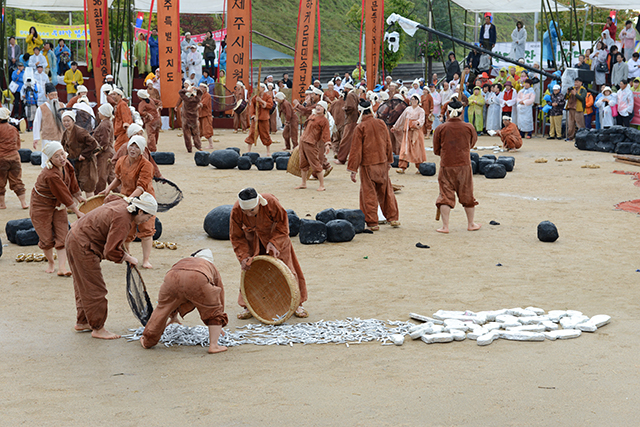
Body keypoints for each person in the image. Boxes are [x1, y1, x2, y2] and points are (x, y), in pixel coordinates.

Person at [67, 192, 157, 339]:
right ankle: (98, 328)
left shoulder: (124, 203)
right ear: (140, 210)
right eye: (146, 217)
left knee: (82, 284)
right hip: (82, 245)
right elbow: (110, 251)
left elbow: (110, 197)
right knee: (94, 288)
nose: (144, 221)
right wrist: (127, 257)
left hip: (74, 236)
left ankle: (83, 322)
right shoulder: (124, 218)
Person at [230, 188, 309, 319]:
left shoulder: (271, 202)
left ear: (258, 204)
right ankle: (248, 305)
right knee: (251, 270)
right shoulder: (236, 210)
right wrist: (243, 256)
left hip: (276, 238)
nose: (248, 214)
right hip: (252, 241)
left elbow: (283, 224)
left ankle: (297, 303)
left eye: (252, 210)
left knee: (287, 269)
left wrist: (275, 242)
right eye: (245, 211)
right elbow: (236, 236)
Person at [140, 249, 228, 354]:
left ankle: (147, 340)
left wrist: (173, 317)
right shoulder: (210, 267)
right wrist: (218, 324)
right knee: (213, 311)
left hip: (173, 276)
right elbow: (219, 296)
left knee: (163, 308)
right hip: (199, 278)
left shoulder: (185, 260)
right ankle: (214, 346)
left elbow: (176, 295)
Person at [101, 135, 157, 269]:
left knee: (146, 229)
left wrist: (130, 199)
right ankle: (128, 254)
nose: (133, 149)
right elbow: (118, 178)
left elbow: (141, 186)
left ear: (142, 149)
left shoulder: (146, 165)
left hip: (144, 200)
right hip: (126, 197)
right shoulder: (121, 160)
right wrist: (108, 189)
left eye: (137, 147)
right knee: (126, 228)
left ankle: (146, 260)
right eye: (131, 145)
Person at [30, 142, 85, 276]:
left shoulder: (66, 164)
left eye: (62, 154)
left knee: (62, 234)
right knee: (46, 238)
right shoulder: (50, 174)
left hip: (58, 205)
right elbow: (63, 194)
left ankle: (62, 267)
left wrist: (78, 196)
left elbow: (72, 180)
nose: (61, 158)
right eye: (56, 156)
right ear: (50, 159)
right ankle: (51, 262)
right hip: (41, 205)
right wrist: (76, 211)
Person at [347, 100, 400, 231]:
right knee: (386, 192)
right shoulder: (381, 123)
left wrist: (352, 169)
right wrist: (389, 161)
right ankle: (393, 218)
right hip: (382, 162)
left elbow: (356, 150)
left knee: (368, 193)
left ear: (360, 112)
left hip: (368, 164)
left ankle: (372, 222)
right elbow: (388, 143)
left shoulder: (360, 127)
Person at [432, 99, 480, 234]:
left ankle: (445, 226)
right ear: (462, 112)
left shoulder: (441, 128)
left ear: (447, 112)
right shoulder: (468, 127)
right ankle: (471, 223)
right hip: (464, 164)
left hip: (446, 164)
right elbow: (472, 144)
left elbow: (436, 150)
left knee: (445, 195)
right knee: (467, 194)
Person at [61, 110, 98, 198]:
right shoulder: (66, 133)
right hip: (74, 163)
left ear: (73, 121)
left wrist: (84, 155)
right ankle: (73, 207)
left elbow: (93, 144)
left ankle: (91, 208)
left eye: (68, 121)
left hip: (86, 163)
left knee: (88, 186)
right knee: (74, 185)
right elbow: (63, 146)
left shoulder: (80, 132)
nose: (66, 123)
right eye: (64, 121)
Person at [295, 101, 331, 191]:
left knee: (315, 164)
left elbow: (326, 133)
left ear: (324, 109)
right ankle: (303, 183)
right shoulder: (312, 116)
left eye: (321, 106)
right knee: (303, 163)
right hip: (303, 141)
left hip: (311, 143)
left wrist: (327, 144)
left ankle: (322, 185)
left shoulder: (324, 120)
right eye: (318, 105)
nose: (318, 107)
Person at [0, 107, 28, 209]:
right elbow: (18, 145)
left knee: (0, 181)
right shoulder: (13, 129)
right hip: (15, 157)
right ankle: (23, 203)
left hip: (1, 158)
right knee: (17, 180)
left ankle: (2, 204)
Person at [392, 93, 426, 174]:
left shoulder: (421, 110)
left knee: (417, 149)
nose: (413, 101)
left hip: (416, 132)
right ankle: (402, 167)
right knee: (405, 149)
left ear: (418, 101)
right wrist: (395, 126)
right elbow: (401, 118)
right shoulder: (408, 109)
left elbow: (422, 120)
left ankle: (419, 167)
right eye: (412, 99)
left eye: (415, 99)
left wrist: (416, 123)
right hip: (407, 132)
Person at [33, 83, 65, 166]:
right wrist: (36, 138)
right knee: (46, 156)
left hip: (59, 135)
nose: (54, 97)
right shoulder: (41, 108)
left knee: (60, 153)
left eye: (56, 95)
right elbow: (36, 123)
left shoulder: (61, 106)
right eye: (52, 95)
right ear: (46, 95)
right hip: (47, 136)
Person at [244, 83, 273, 155]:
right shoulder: (254, 97)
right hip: (256, 119)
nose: (257, 89)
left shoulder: (268, 96)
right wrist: (253, 115)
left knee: (265, 134)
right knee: (252, 133)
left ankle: (268, 151)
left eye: (259, 88)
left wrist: (261, 101)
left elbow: (270, 105)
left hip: (264, 118)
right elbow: (251, 107)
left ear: (263, 88)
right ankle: (248, 150)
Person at [176, 82, 204, 153]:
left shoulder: (186, 99)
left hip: (186, 119)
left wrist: (187, 90)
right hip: (194, 119)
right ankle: (199, 146)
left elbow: (180, 92)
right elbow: (200, 93)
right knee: (196, 134)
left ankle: (189, 149)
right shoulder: (196, 100)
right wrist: (196, 89)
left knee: (187, 135)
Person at [335, 83, 359, 164]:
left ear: (348, 89)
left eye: (345, 88)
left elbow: (351, 107)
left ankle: (341, 159)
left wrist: (345, 108)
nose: (344, 90)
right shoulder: (355, 95)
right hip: (355, 120)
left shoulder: (350, 95)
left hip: (350, 120)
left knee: (345, 140)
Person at [94, 104, 115, 193]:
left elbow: (104, 142)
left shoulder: (104, 125)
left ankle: (98, 198)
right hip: (110, 152)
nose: (98, 113)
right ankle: (121, 196)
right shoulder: (108, 122)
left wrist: (96, 152)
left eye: (100, 111)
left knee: (101, 177)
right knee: (111, 176)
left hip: (104, 154)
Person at [110, 87, 132, 152]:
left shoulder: (122, 104)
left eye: (114, 94)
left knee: (117, 148)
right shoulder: (119, 104)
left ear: (120, 95)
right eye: (112, 94)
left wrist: (126, 126)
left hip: (123, 131)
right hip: (120, 131)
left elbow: (125, 116)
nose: (112, 96)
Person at [198, 83, 214, 149]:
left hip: (206, 115)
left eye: (201, 87)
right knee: (199, 130)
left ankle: (211, 144)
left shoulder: (207, 95)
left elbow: (203, 104)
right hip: (200, 114)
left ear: (205, 88)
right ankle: (197, 142)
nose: (200, 88)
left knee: (207, 130)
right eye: (200, 86)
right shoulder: (199, 95)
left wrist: (196, 105)